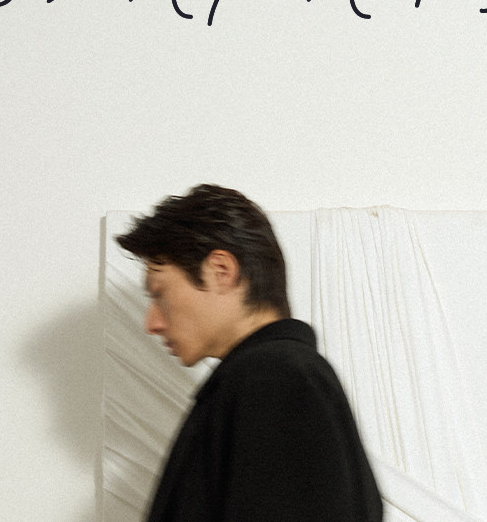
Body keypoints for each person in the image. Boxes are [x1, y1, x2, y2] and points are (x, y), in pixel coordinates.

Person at [116, 184, 383, 522]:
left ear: (220, 271)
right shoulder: (271, 378)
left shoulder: (275, 379)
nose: (151, 323)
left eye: (160, 294)